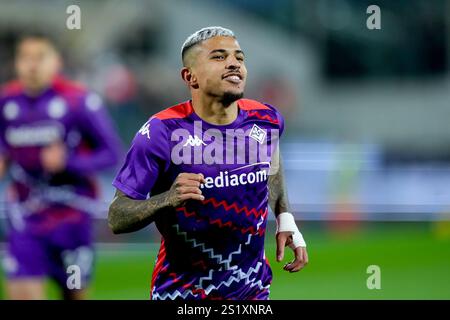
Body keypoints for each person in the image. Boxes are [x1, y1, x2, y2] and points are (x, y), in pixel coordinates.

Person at [108, 26, 308, 300]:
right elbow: (117, 216)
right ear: (190, 77)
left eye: (239, 56)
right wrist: (167, 199)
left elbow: (271, 161)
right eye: (219, 57)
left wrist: (285, 216)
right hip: (182, 293)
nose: (234, 63)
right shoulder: (161, 131)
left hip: (252, 290)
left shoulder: (266, 118)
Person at [0, 34, 122, 299]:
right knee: (22, 292)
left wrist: (68, 162)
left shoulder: (79, 101)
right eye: (25, 58)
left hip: (72, 213)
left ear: (56, 61)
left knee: (74, 293)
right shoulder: (5, 102)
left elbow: (112, 154)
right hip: (26, 214)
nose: (32, 65)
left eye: (40, 57)